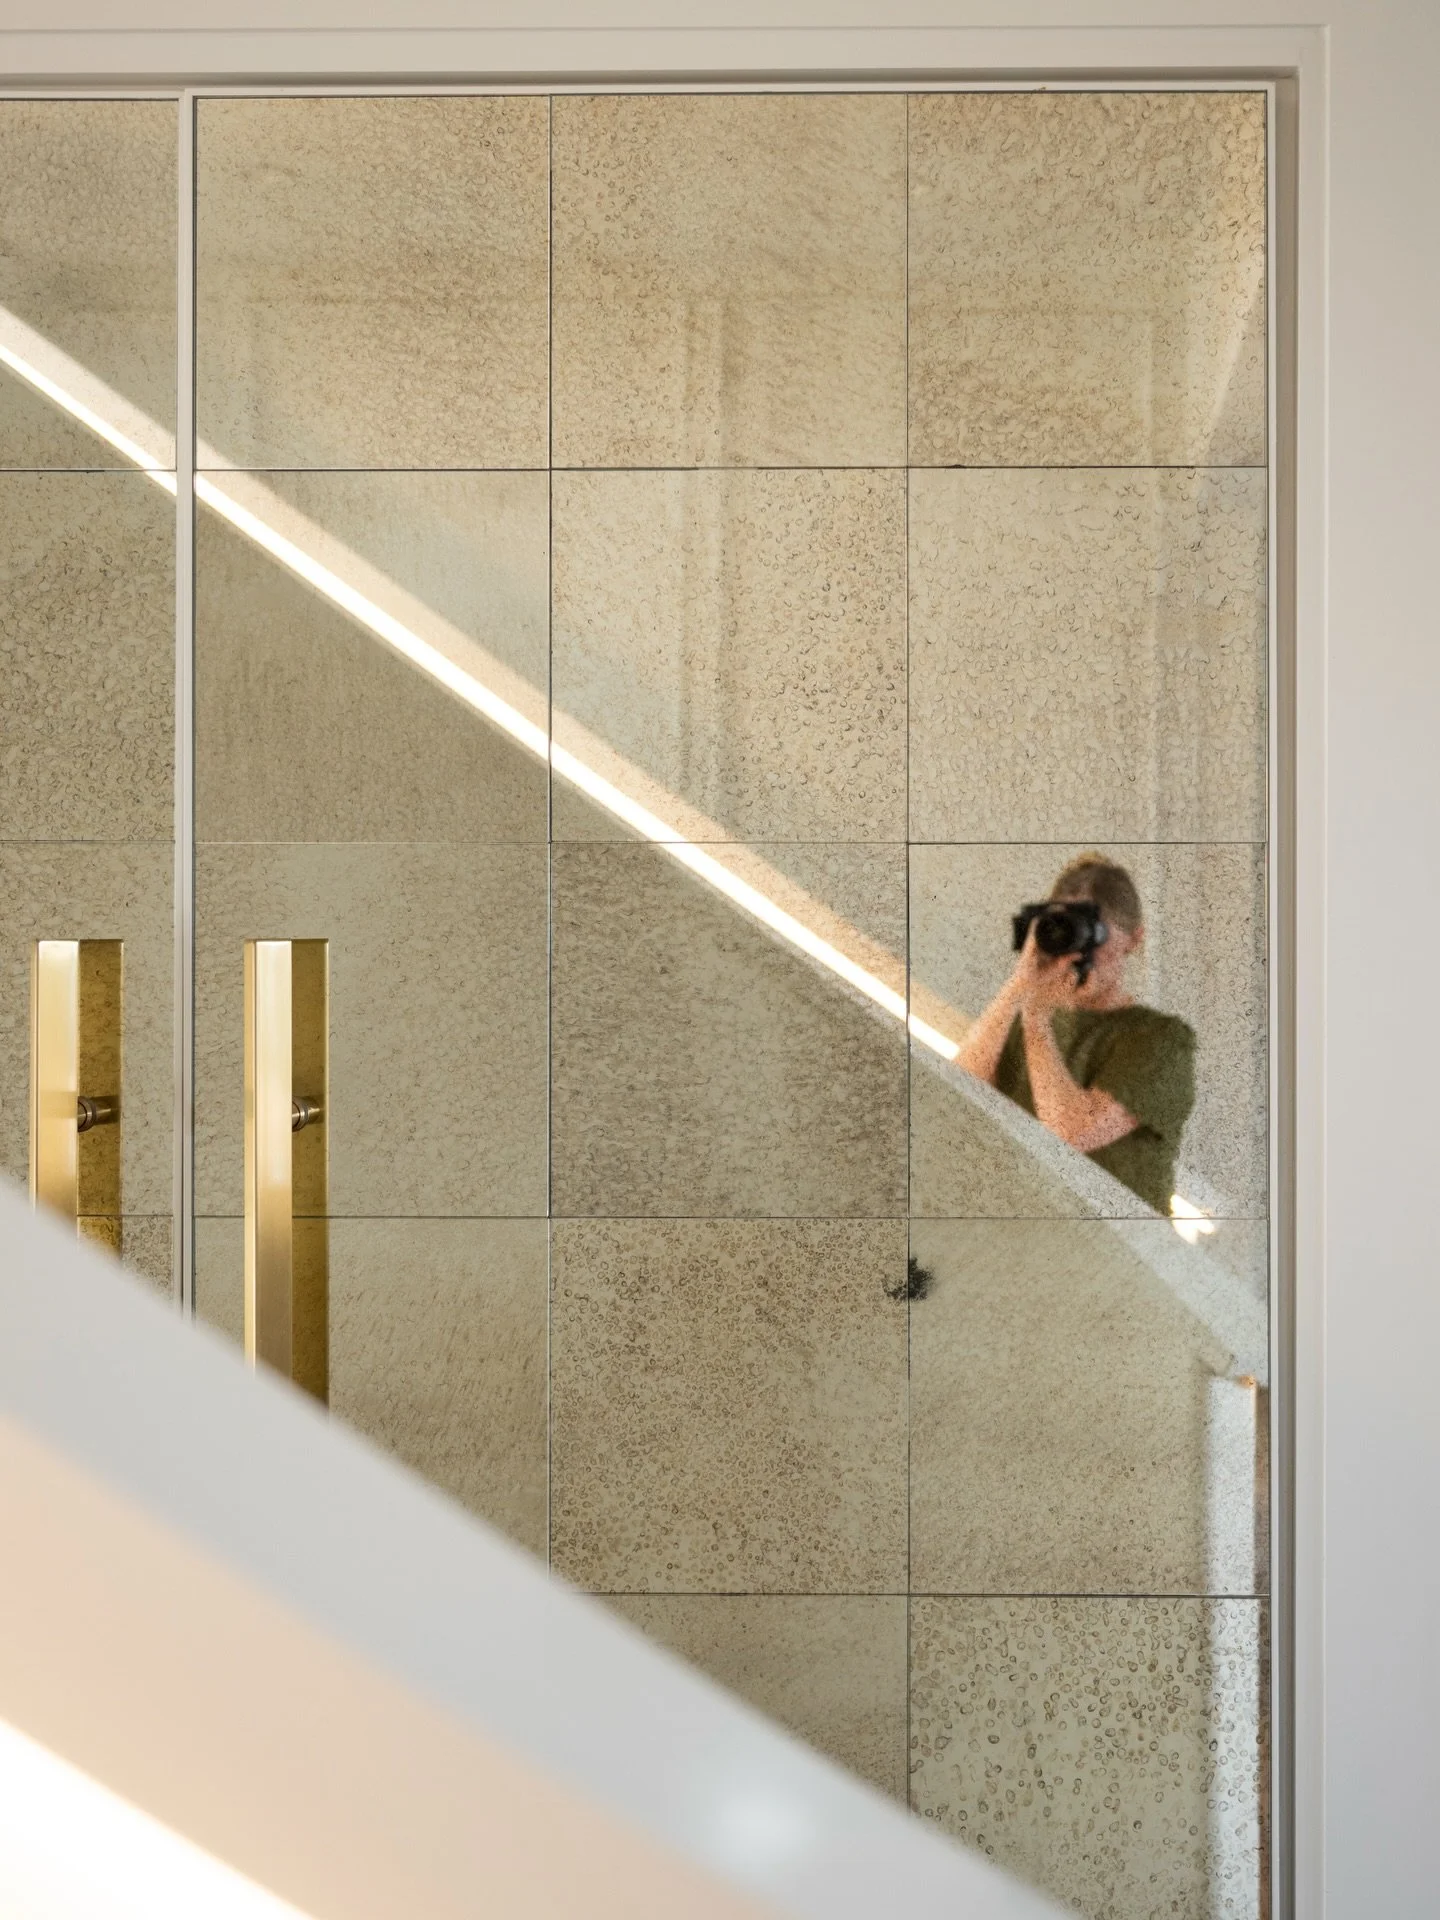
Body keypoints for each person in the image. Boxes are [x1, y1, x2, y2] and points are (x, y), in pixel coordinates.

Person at [955, 854, 1195, 1214]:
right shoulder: (1026, 1022)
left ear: (1134, 939)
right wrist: (1020, 984)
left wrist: (1036, 1018)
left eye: (1094, 934)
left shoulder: (1163, 1039)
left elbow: (1072, 1132)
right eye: (1070, 933)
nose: (1082, 952)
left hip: (1119, 1256)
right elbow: (958, 1094)